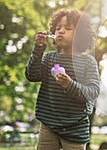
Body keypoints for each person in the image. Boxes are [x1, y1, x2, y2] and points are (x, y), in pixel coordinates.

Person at [25, 8, 101, 150]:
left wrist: (69, 84)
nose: (60, 31)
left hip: (76, 128)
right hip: (49, 125)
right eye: (58, 28)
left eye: (67, 28)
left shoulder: (88, 62)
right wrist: (38, 49)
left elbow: (93, 92)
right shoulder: (49, 58)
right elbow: (32, 75)